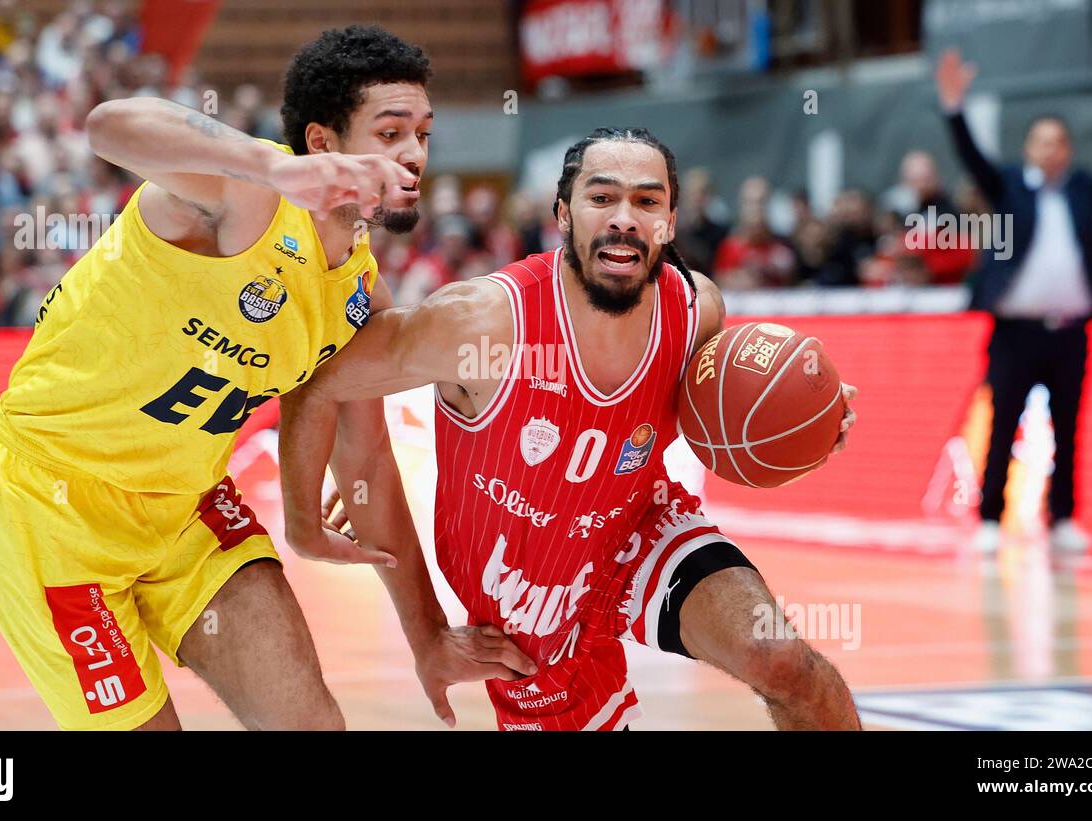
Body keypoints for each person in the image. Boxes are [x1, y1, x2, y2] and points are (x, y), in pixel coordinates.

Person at [0, 25, 523, 731]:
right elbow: (111, 125)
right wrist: (273, 166)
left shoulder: (358, 292)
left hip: (184, 506)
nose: (413, 153)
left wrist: (428, 638)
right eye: (389, 132)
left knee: (311, 724)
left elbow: (369, 466)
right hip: (47, 507)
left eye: (423, 132)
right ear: (321, 143)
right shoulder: (243, 198)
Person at [284, 127, 861, 730]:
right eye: (602, 198)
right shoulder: (481, 323)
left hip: (638, 531)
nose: (624, 218)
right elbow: (320, 378)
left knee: (781, 659)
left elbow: (734, 413)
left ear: (669, 220)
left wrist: (814, 421)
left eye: (647, 201)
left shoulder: (697, 311)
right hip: (524, 586)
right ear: (563, 213)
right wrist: (421, 626)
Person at [935, 48, 1092, 554]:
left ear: (1069, 150)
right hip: (1015, 331)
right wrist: (955, 109)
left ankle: (1064, 518)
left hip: (1071, 330)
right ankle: (990, 516)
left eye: (1059, 142)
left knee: (1069, 426)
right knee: (1003, 420)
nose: (1051, 150)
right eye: (1042, 141)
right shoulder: (1010, 187)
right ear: (1028, 148)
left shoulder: (1080, 190)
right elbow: (971, 159)